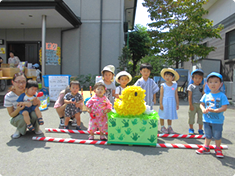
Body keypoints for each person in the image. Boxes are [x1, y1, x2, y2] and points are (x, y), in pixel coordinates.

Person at [196, 72, 229, 158]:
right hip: (206, 120)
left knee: (217, 136)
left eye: (215, 82)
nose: (213, 84)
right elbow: (201, 104)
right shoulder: (206, 95)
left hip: (217, 121)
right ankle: (206, 147)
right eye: (210, 82)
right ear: (207, 84)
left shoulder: (222, 95)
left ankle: (218, 148)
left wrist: (215, 110)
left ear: (220, 84)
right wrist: (203, 109)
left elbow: (224, 107)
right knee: (207, 135)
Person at [4, 72, 43, 139]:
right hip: (17, 117)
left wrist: (36, 103)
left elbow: (38, 106)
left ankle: (36, 128)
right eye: (18, 82)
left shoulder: (31, 92)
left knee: (35, 113)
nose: (21, 84)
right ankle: (20, 129)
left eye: (23, 82)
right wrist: (18, 109)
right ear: (13, 82)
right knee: (23, 116)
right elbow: (11, 114)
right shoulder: (9, 96)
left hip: (30, 114)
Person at [158, 68, 179, 134]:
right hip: (165, 102)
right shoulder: (163, 85)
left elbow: (176, 95)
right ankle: (162, 127)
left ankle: (169, 127)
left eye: (169, 76)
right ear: (164, 76)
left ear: (173, 77)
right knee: (162, 115)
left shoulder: (175, 85)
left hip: (172, 102)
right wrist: (161, 104)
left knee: (170, 114)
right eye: (166, 76)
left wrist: (177, 104)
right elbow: (161, 95)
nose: (167, 77)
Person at [187, 69, 205, 135]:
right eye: (196, 78)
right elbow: (189, 95)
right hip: (193, 104)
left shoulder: (201, 86)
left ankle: (200, 129)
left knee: (201, 117)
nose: (198, 80)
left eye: (200, 78)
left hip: (201, 104)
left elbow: (203, 94)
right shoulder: (191, 86)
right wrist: (190, 105)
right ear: (192, 78)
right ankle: (191, 128)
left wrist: (204, 87)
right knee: (191, 116)